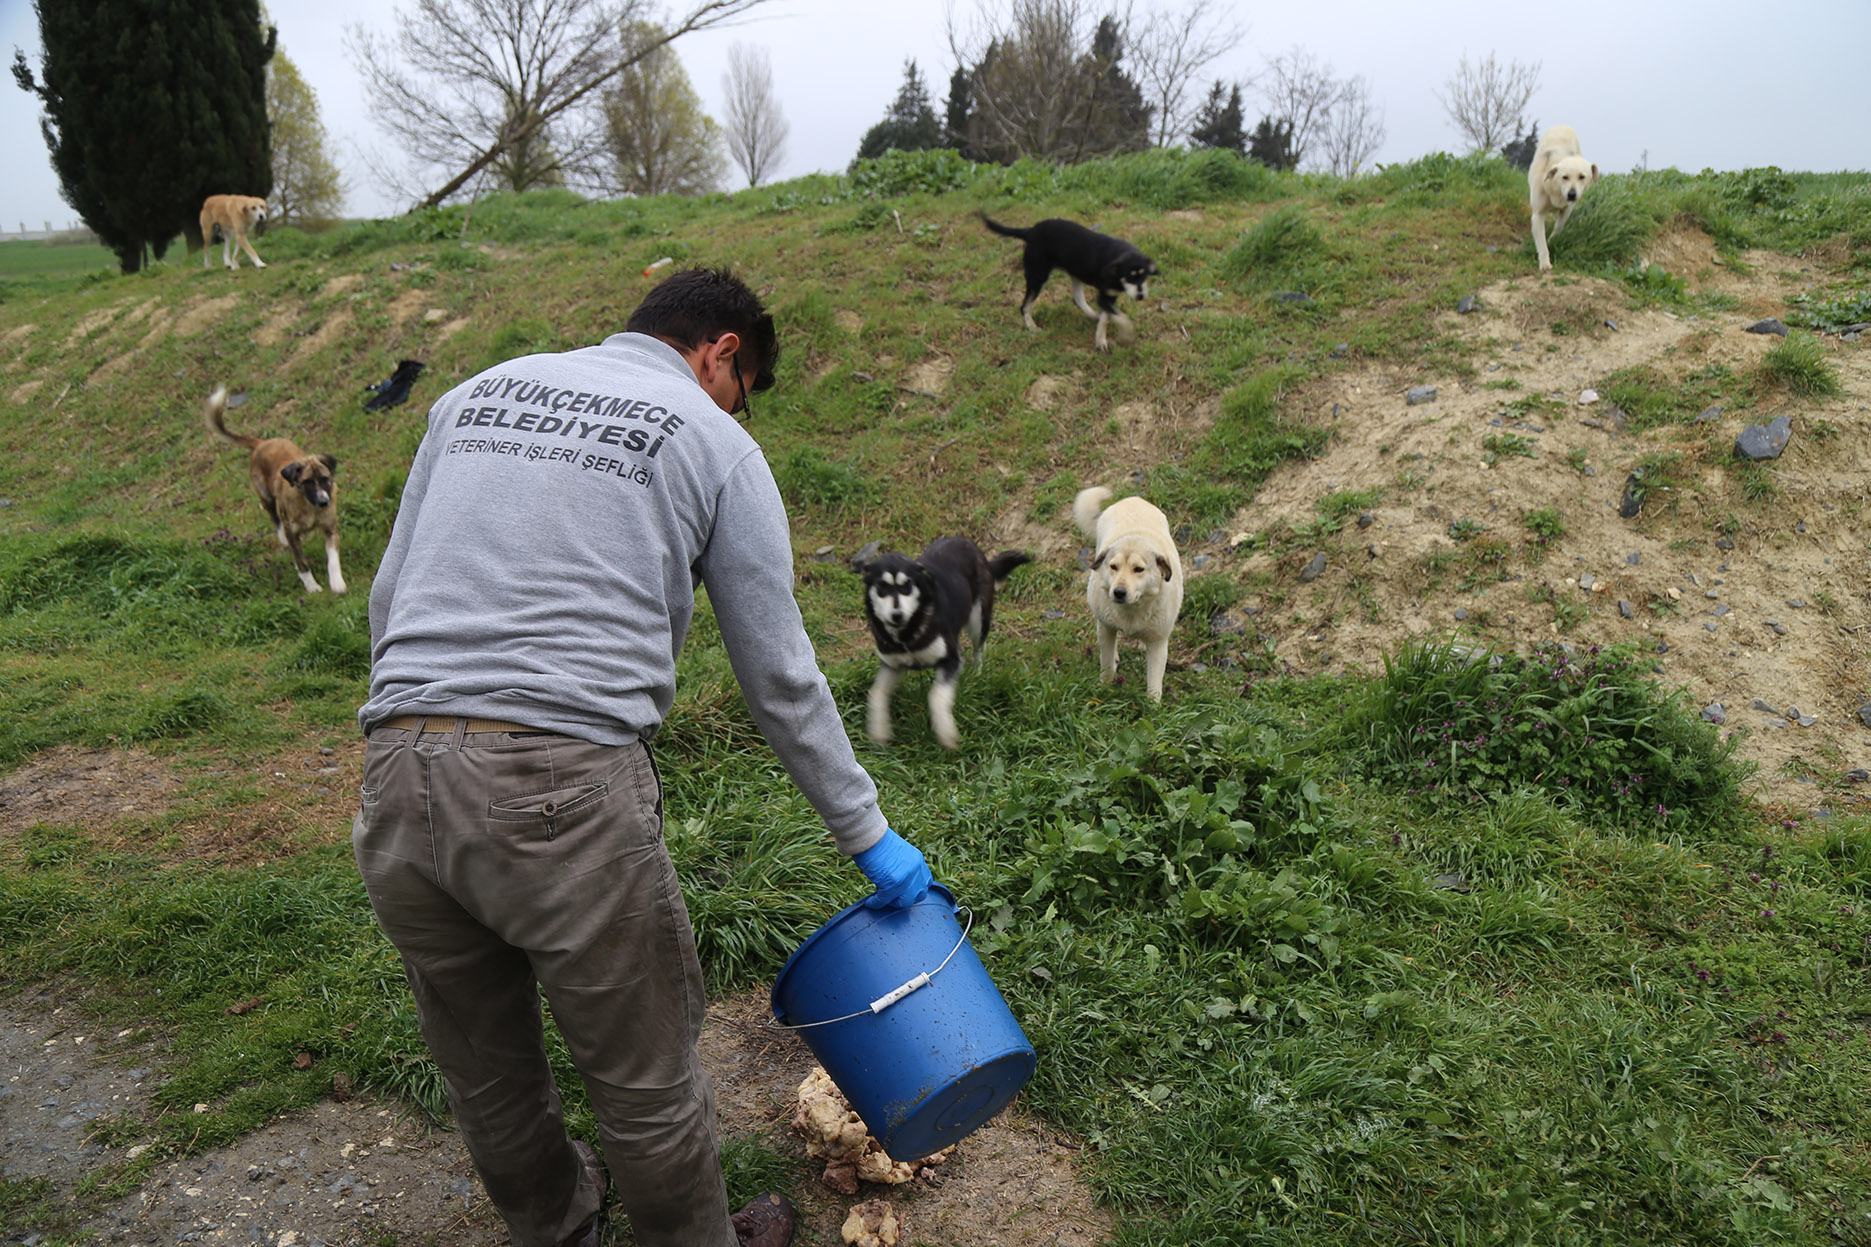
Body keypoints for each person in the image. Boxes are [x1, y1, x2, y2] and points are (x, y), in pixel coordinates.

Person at [353, 267, 934, 1247]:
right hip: (559, 787)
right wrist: (867, 834)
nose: (739, 405)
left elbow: (385, 598)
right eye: (744, 387)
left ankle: (558, 1226)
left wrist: (425, 736)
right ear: (723, 353)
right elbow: (782, 676)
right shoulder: (712, 439)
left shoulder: (470, 397)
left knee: (484, 1070)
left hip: (395, 765)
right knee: (644, 1078)